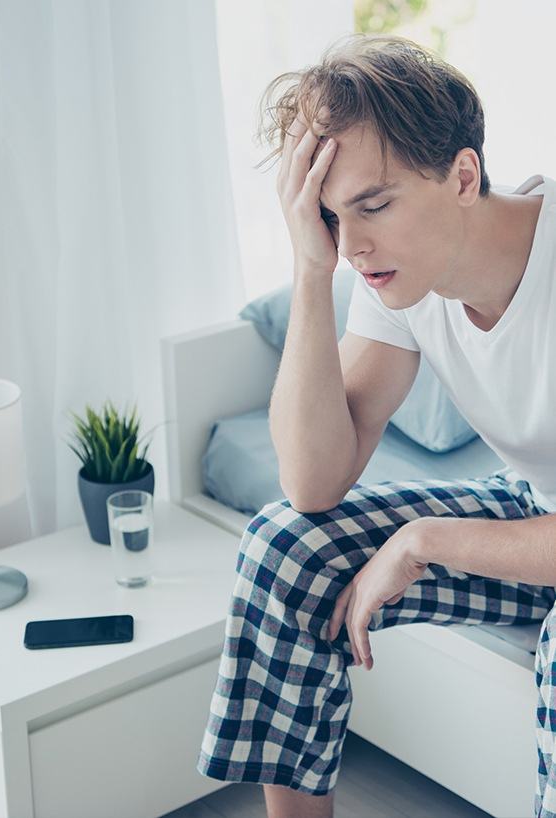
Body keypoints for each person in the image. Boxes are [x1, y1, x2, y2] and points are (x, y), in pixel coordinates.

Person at [195, 32, 556, 818]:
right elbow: (313, 481)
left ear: (463, 175)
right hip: (539, 514)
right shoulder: (396, 277)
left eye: (374, 205)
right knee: (284, 549)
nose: (353, 243)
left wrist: (423, 539)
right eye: (329, 216)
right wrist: (309, 269)